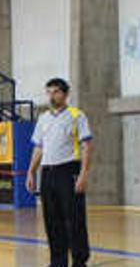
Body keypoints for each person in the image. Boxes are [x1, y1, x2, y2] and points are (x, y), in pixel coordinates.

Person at [26, 78, 92, 267]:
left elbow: (86, 145)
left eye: (56, 92)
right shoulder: (43, 119)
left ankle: (79, 261)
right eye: (49, 92)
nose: (52, 96)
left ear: (65, 94)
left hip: (68, 171)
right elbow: (39, 148)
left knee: (74, 219)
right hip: (48, 173)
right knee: (52, 220)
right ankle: (58, 261)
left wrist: (83, 174)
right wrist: (31, 172)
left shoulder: (76, 115)